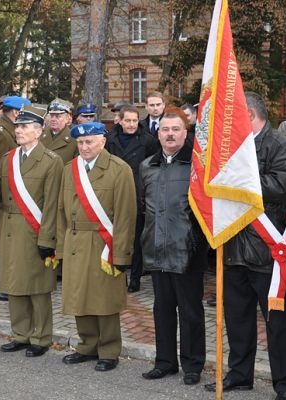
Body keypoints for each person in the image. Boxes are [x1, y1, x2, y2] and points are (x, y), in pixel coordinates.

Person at [206, 92, 286, 400]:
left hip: (267, 251)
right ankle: (239, 374)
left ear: (248, 113)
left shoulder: (280, 144)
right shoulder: (231, 148)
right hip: (233, 248)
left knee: (278, 325)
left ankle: (285, 384)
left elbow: (279, 187)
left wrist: (236, 181)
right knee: (237, 320)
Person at [0, 105, 64, 357]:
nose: (18, 130)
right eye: (17, 126)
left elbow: (52, 205)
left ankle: (40, 337)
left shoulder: (52, 162)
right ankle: (20, 334)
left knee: (38, 288)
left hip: (35, 230)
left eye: (24, 127)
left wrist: (48, 239)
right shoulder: (8, 159)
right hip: (9, 231)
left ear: (39, 131)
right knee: (14, 285)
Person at [58, 122, 137, 372]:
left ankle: (109, 349)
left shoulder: (119, 169)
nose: (84, 147)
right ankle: (87, 345)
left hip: (104, 243)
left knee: (104, 300)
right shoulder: (70, 169)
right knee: (79, 296)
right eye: (80, 143)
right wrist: (60, 247)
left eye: (89, 141)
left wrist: (123, 252)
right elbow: (61, 211)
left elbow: (126, 215)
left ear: (102, 142)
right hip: (75, 242)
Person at [139, 111, 208, 385]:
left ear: (185, 132)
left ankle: (193, 365)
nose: (169, 134)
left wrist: (196, 243)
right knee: (162, 309)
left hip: (186, 250)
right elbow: (143, 206)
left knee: (190, 311)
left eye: (175, 129)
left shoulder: (196, 165)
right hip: (157, 247)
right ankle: (165, 361)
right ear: (158, 134)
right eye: (165, 129)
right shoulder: (147, 166)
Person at [105, 105, 159, 292]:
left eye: (135, 121)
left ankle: (134, 278)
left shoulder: (148, 141)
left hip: (137, 194)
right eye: (127, 120)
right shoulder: (109, 139)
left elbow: (154, 168)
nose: (131, 124)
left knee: (136, 239)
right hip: (112, 193)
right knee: (113, 235)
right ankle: (114, 272)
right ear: (119, 120)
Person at [0, 95, 31, 302]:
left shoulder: (8, 130)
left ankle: (4, 281)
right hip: (1, 197)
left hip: (13, 195)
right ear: (15, 113)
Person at [41, 99, 78, 165]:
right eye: (51, 116)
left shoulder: (75, 140)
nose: (53, 119)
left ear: (67, 119)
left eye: (58, 116)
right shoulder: (39, 135)